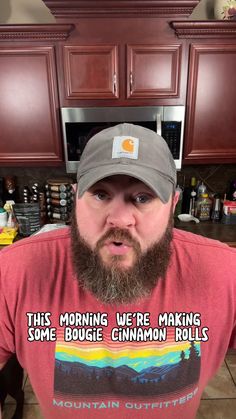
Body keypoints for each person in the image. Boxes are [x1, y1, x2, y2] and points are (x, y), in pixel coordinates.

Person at [0, 123, 235, 419]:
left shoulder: (226, 273)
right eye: (100, 194)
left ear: (173, 204)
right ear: (75, 198)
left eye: (143, 197)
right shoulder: (13, 272)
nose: (120, 219)